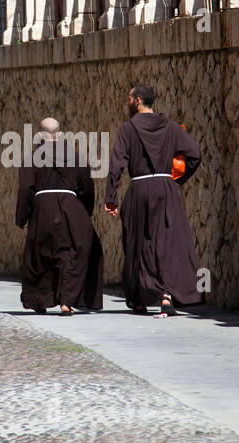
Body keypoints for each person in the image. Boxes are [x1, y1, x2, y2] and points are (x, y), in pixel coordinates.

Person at [103, 85, 202, 316]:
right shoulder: (170, 126)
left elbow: (117, 164)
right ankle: (167, 295)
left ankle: (140, 298)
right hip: (166, 189)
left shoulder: (128, 129)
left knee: (138, 243)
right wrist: (178, 178)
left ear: (138, 101)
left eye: (129, 98)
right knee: (168, 243)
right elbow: (195, 154)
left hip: (139, 188)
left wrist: (111, 198)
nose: (127, 101)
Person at [15, 117, 104, 315]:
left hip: (42, 209)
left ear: (39, 135)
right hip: (71, 208)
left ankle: (40, 300)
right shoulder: (77, 157)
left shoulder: (31, 158)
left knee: (39, 255)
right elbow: (88, 189)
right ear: (62, 135)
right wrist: (83, 213)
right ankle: (67, 301)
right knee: (69, 254)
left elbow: (25, 189)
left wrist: (22, 217)